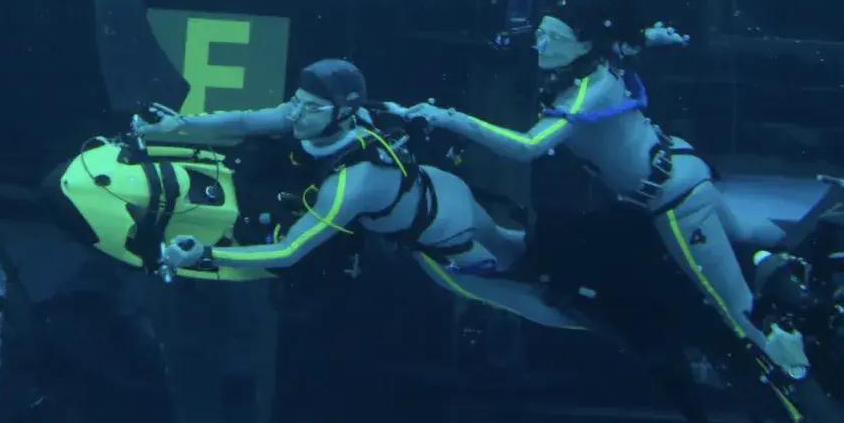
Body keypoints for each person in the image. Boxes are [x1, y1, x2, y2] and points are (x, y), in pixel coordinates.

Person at [392, 0, 810, 378]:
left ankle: (797, 368)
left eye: (555, 38)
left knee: (734, 309)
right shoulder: (599, 60)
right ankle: (803, 268)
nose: (542, 44)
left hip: (675, 201)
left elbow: (528, 147)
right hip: (682, 171)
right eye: (540, 34)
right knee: (748, 236)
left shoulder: (590, 89)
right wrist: (652, 36)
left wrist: (451, 119)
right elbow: (625, 40)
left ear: (584, 44)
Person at [132, 58, 581, 329]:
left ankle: (586, 321)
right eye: (296, 101)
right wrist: (177, 126)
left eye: (310, 107)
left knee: (510, 294)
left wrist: (206, 255)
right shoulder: (333, 117)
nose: (296, 113)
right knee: (512, 248)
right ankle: (572, 280)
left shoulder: (353, 182)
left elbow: (289, 252)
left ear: (342, 114)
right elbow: (246, 121)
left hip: (442, 237)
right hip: (449, 193)